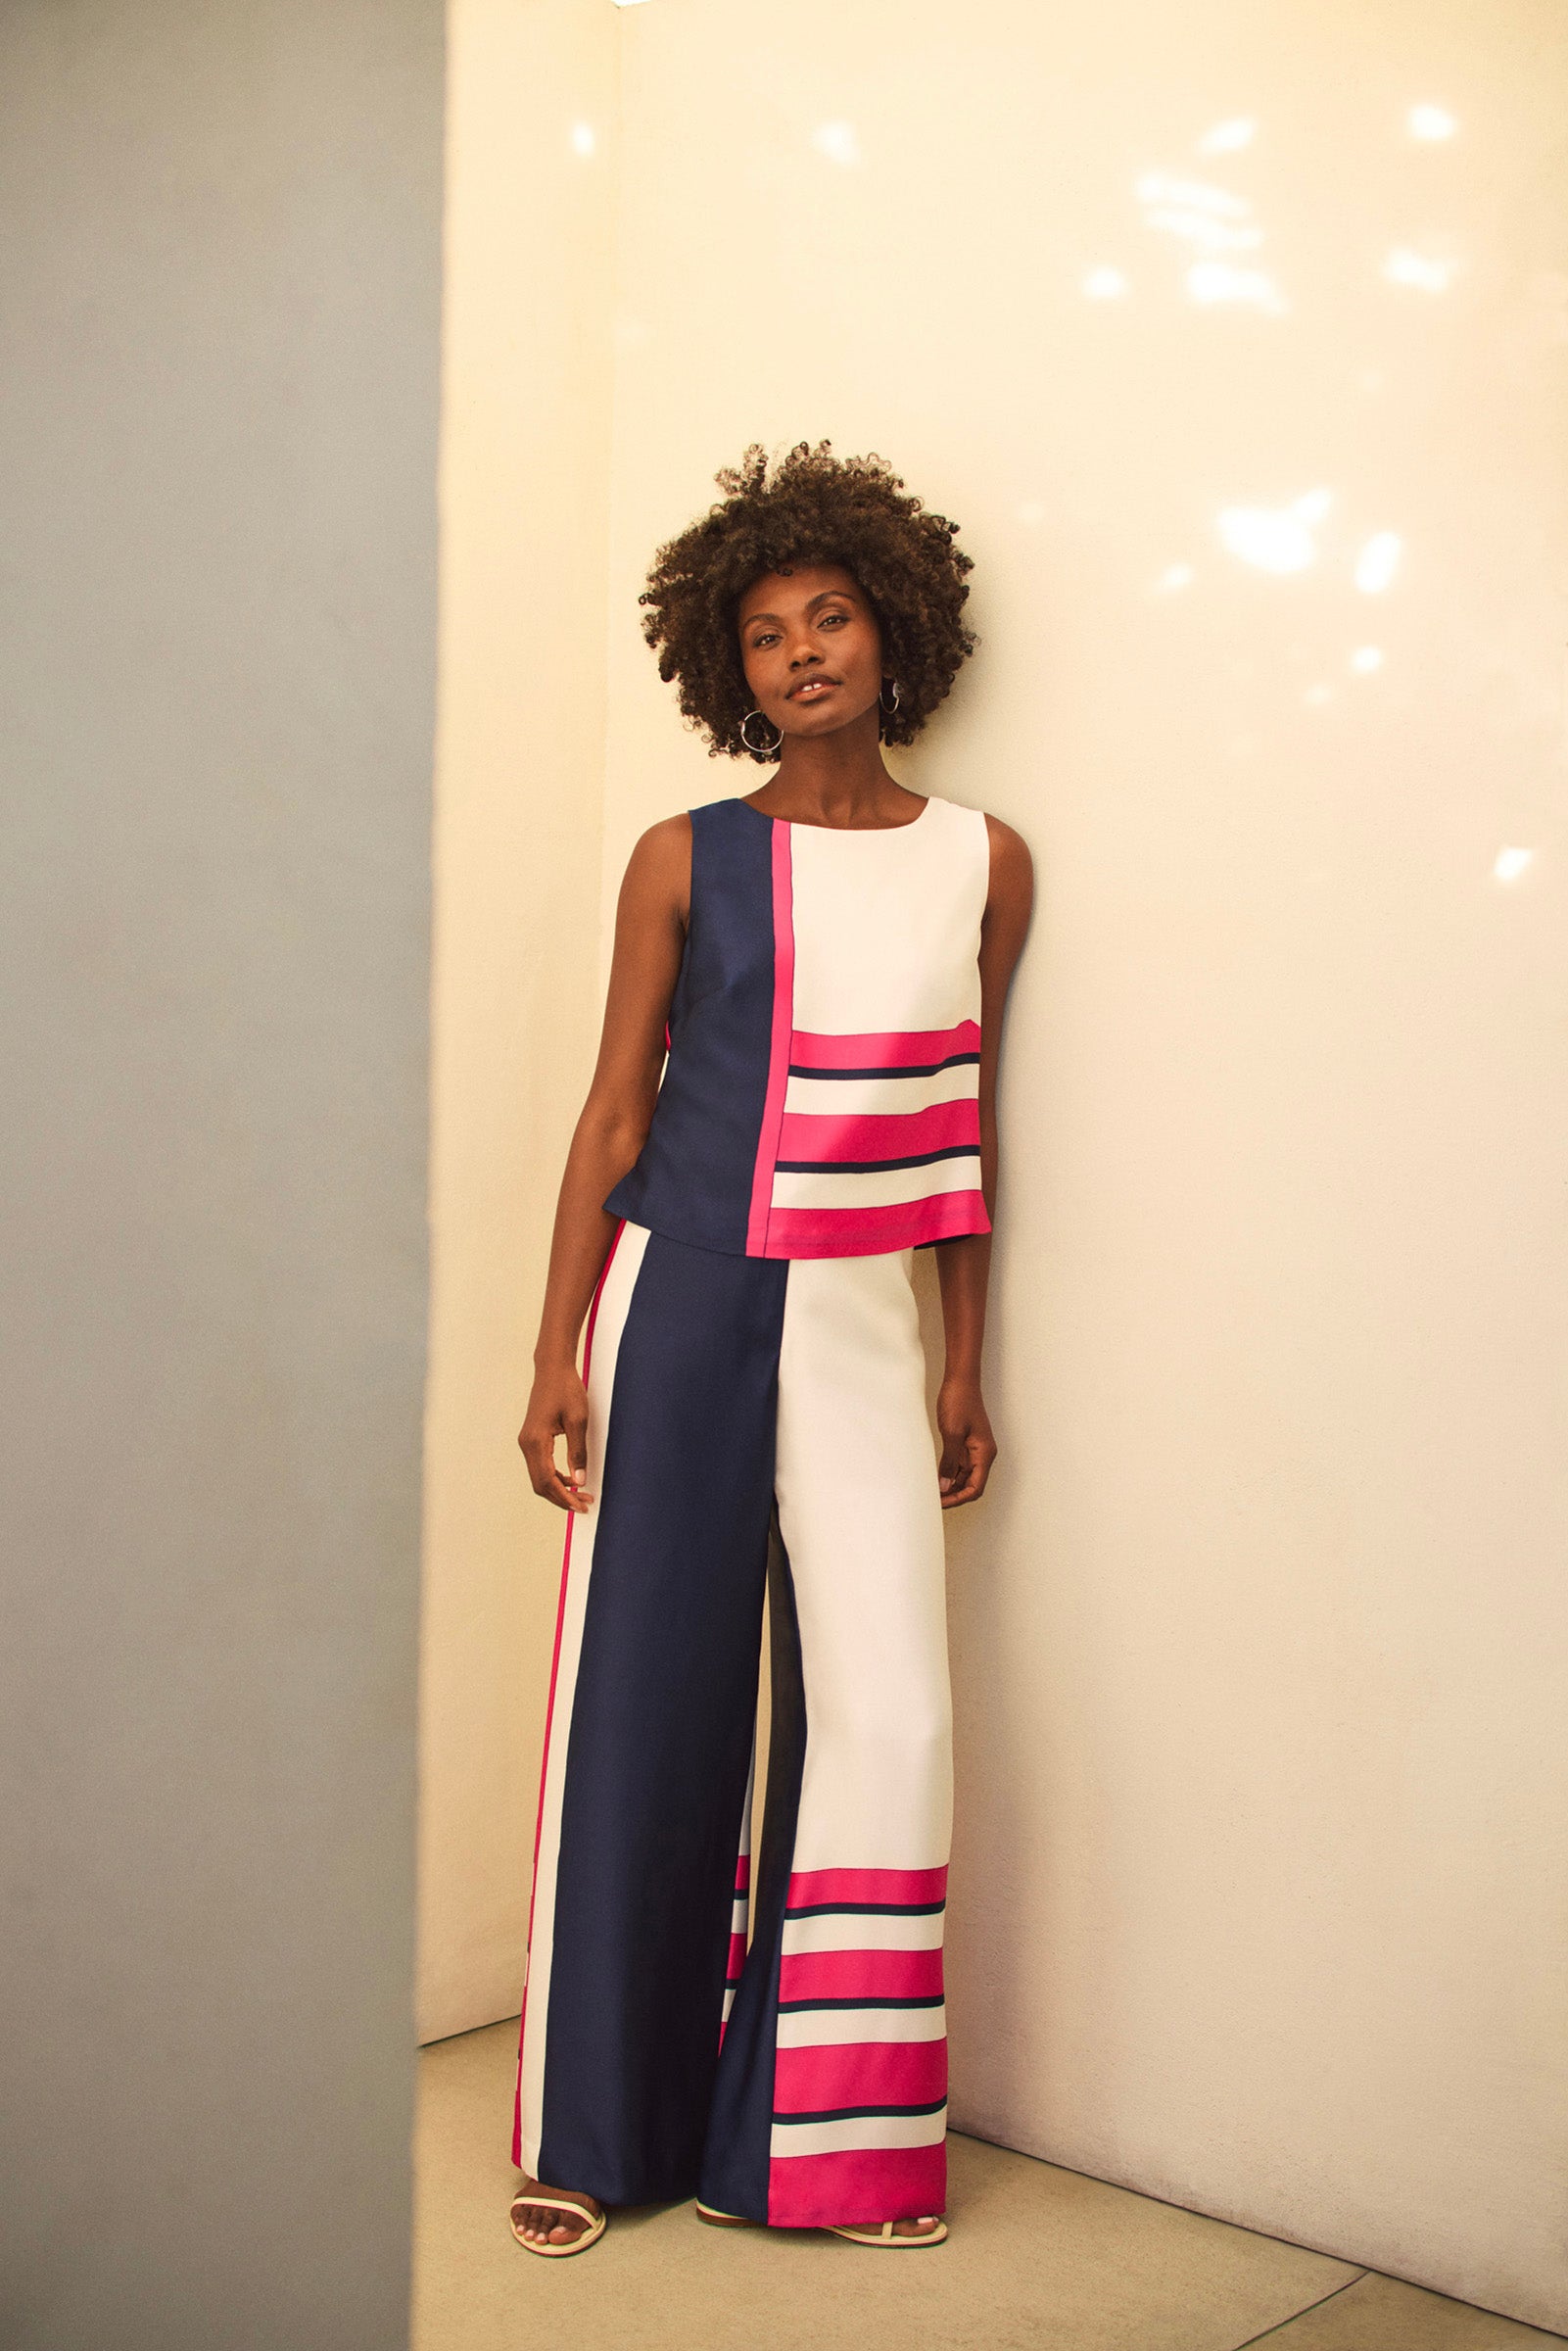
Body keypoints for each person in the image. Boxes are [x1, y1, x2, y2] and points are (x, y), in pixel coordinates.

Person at [507, 441, 1032, 2258]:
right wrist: (554, 1346)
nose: (801, 651)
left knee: (888, 1708)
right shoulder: (684, 856)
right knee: (644, 1705)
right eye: (763, 632)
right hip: (680, 1297)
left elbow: (967, 1132)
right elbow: (611, 1111)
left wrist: (961, 1363)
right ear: (726, 665)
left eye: (829, 616)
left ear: (894, 633)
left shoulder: (982, 863)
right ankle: (598, 2137)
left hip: (867, 1315)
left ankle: (838, 2153)